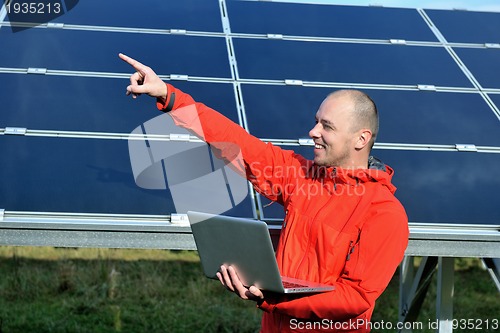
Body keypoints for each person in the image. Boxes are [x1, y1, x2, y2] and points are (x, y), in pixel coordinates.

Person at [119, 53, 409, 333]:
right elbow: (239, 144)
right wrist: (170, 97)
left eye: (326, 126)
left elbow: (356, 297)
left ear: (361, 138)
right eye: (316, 120)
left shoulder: (384, 213)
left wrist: (273, 298)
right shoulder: (301, 177)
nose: (312, 131)